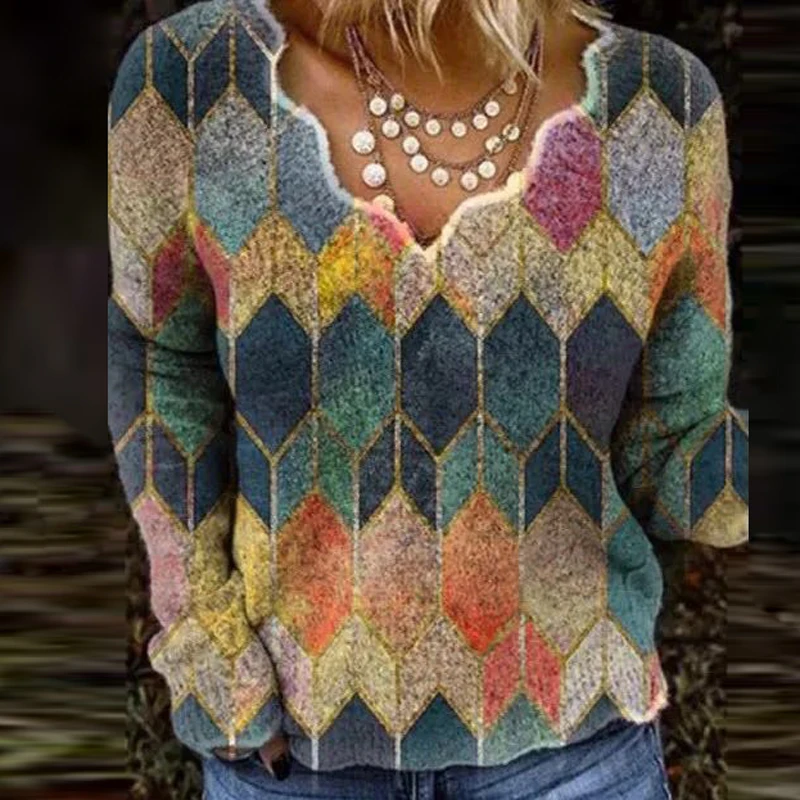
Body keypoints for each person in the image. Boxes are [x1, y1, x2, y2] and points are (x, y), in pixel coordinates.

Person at [107, 0, 749, 797]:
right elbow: (158, 365)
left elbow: (668, 450)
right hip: (296, 764)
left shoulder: (660, 105)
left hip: (577, 761)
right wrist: (209, 658)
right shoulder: (193, 79)